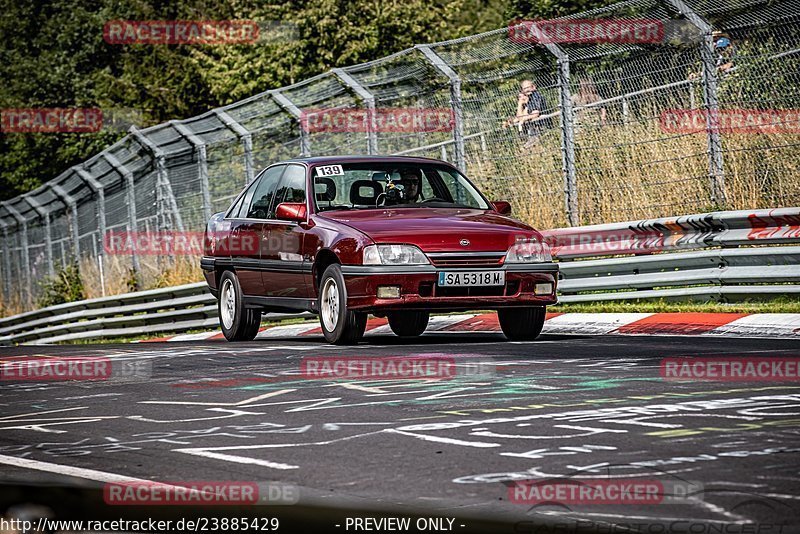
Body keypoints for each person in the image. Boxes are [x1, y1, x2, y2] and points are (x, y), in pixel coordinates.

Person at [507, 80, 549, 146]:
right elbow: (520, 116)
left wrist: (522, 120)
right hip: (534, 131)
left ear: (533, 87)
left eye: (528, 87)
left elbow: (535, 114)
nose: (526, 90)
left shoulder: (536, 96)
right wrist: (520, 103)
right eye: (524, 88)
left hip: (543, 128)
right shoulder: (529, 99)